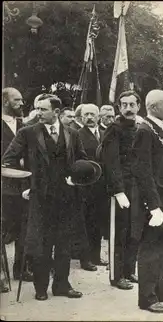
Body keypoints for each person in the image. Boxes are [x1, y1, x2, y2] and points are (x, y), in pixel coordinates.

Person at [2, 93, 88, 301]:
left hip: (67, 198)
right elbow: (7, 161)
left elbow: (82, 161)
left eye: (43, 109)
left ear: (56, 112)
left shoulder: (72, 134)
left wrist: (75, 179)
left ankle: (62, 285)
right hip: (40, 199)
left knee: (64, 244)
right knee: (42, 245)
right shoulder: (27, 133)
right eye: (37, 109)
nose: (38, 113)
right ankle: (41, 288)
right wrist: (25, 185)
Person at [131, 90, 163, 313]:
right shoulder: (145, 130)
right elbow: (143, 171)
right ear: (152, 107)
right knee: (151, 247)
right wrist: (153, 206)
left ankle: (161, 290)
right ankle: (148, 298)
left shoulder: (157, 128)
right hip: (153, 198)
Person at [100, 91, 141, 290]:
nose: (128, 109)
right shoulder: (113, 129)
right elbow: (111, 161)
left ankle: (129, 270)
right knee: (119, 233)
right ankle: (117, 276)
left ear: (138, 107)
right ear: (118, 107)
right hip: (121, 188)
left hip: (137, 186)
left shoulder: (139, 127)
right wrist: (118, 190)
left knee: (134, 231)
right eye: (124, 105)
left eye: (132, 104)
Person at [1, 87, 32, 292]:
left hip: (23, 184)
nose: (21, 103)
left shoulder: (24, 124)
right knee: (4, 228)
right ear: (5, 102)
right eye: (17, 100)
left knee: (24, 226)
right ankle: (1, 275)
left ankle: (21, 268)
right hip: (4, 185)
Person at [77, 104, 108, 270]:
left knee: (98, 222)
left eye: (92, 114)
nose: (89, 117)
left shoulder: (104, 134)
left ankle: (96, 256)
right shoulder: (78, 135)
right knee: (86, 224)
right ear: (81, 117)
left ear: (98, 117)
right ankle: (85, 258)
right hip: (85, 186)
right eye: (86, 114)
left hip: (101, 186)